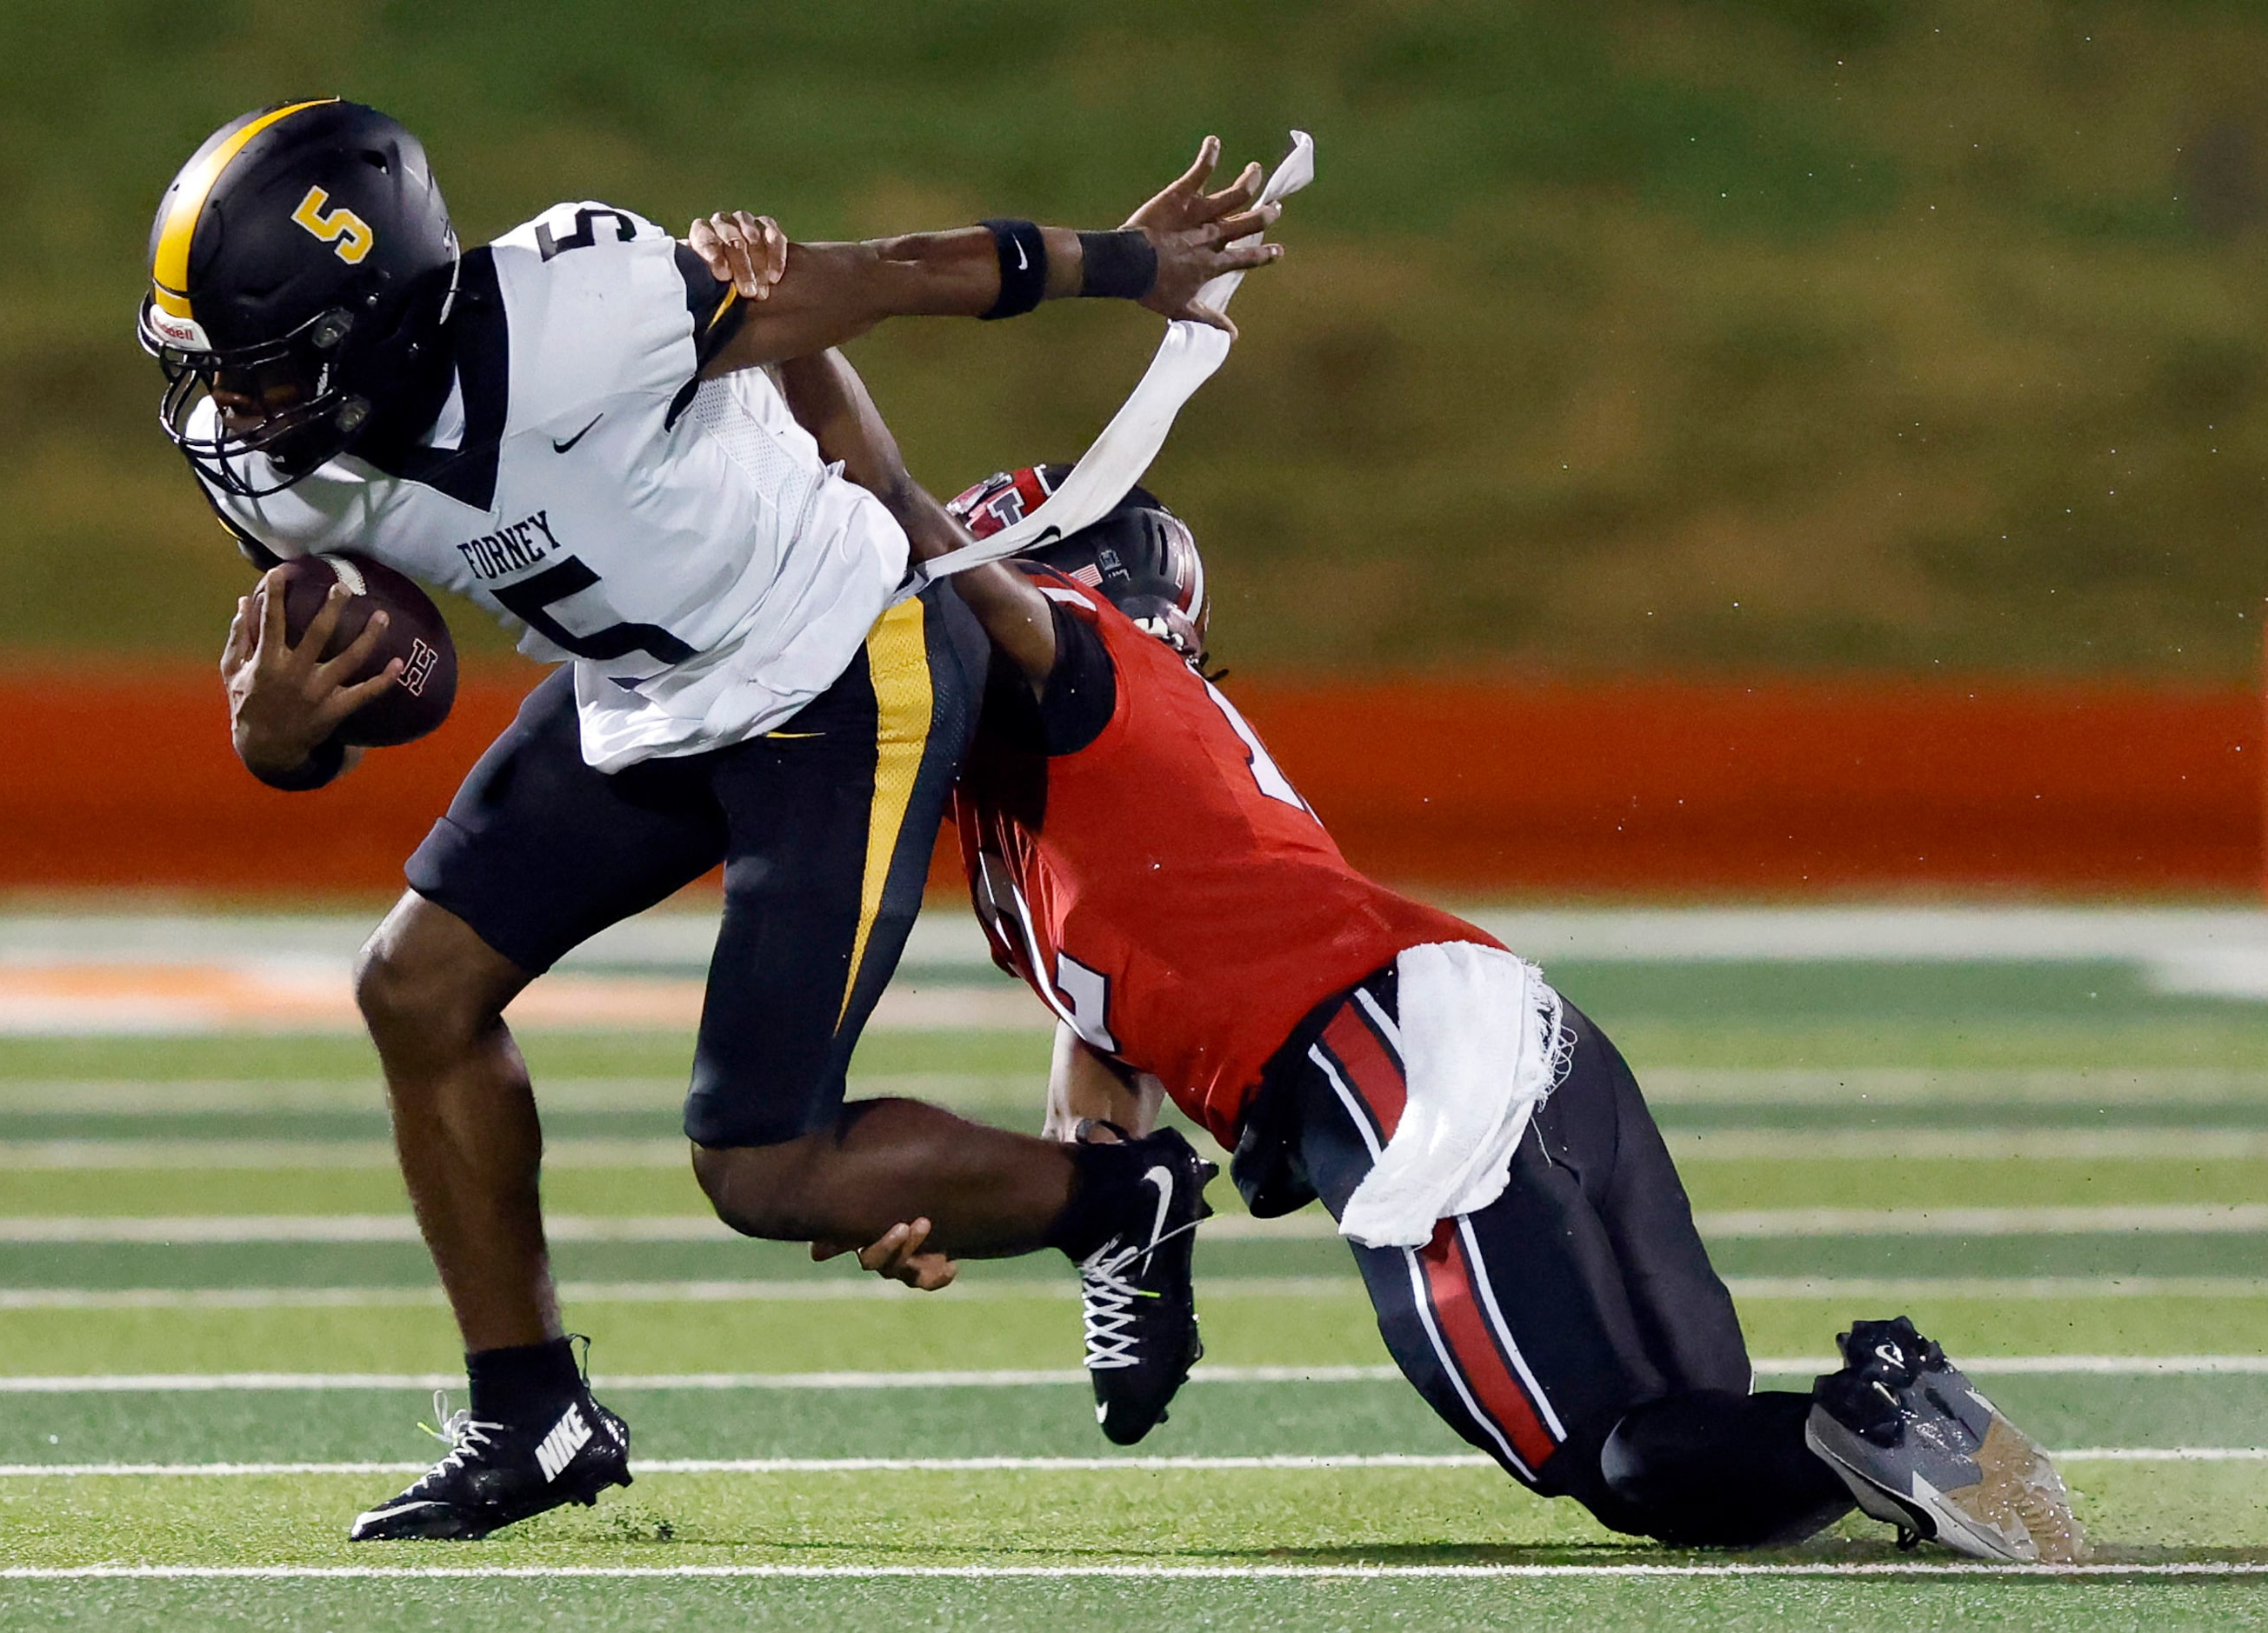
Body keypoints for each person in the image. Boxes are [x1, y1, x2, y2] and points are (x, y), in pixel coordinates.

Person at [141, 99, 1277, 1539]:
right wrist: (278, 744)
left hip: (836, 654)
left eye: (256, 370)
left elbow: (888, 273)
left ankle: (1120, 1197)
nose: (230, 410)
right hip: (643, 689)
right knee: (414, 988)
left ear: (371, 327)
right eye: (212, 372)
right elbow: (324, 690)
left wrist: (1129, 262)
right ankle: (531, 1414)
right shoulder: (286, 467)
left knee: (764, 1167)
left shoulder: (582, 306)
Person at [761, 345, 2087, 1564]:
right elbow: (1107, 1089)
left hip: (1394, 1066)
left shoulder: (1082, 669)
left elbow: (906, 521)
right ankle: (1903, 1432)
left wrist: (791, 334)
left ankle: (1890, 1409)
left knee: (1603, 1457)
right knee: (1690, 1437)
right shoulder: (1054, 815)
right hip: (1483, 1023)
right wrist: (1046, 1237)